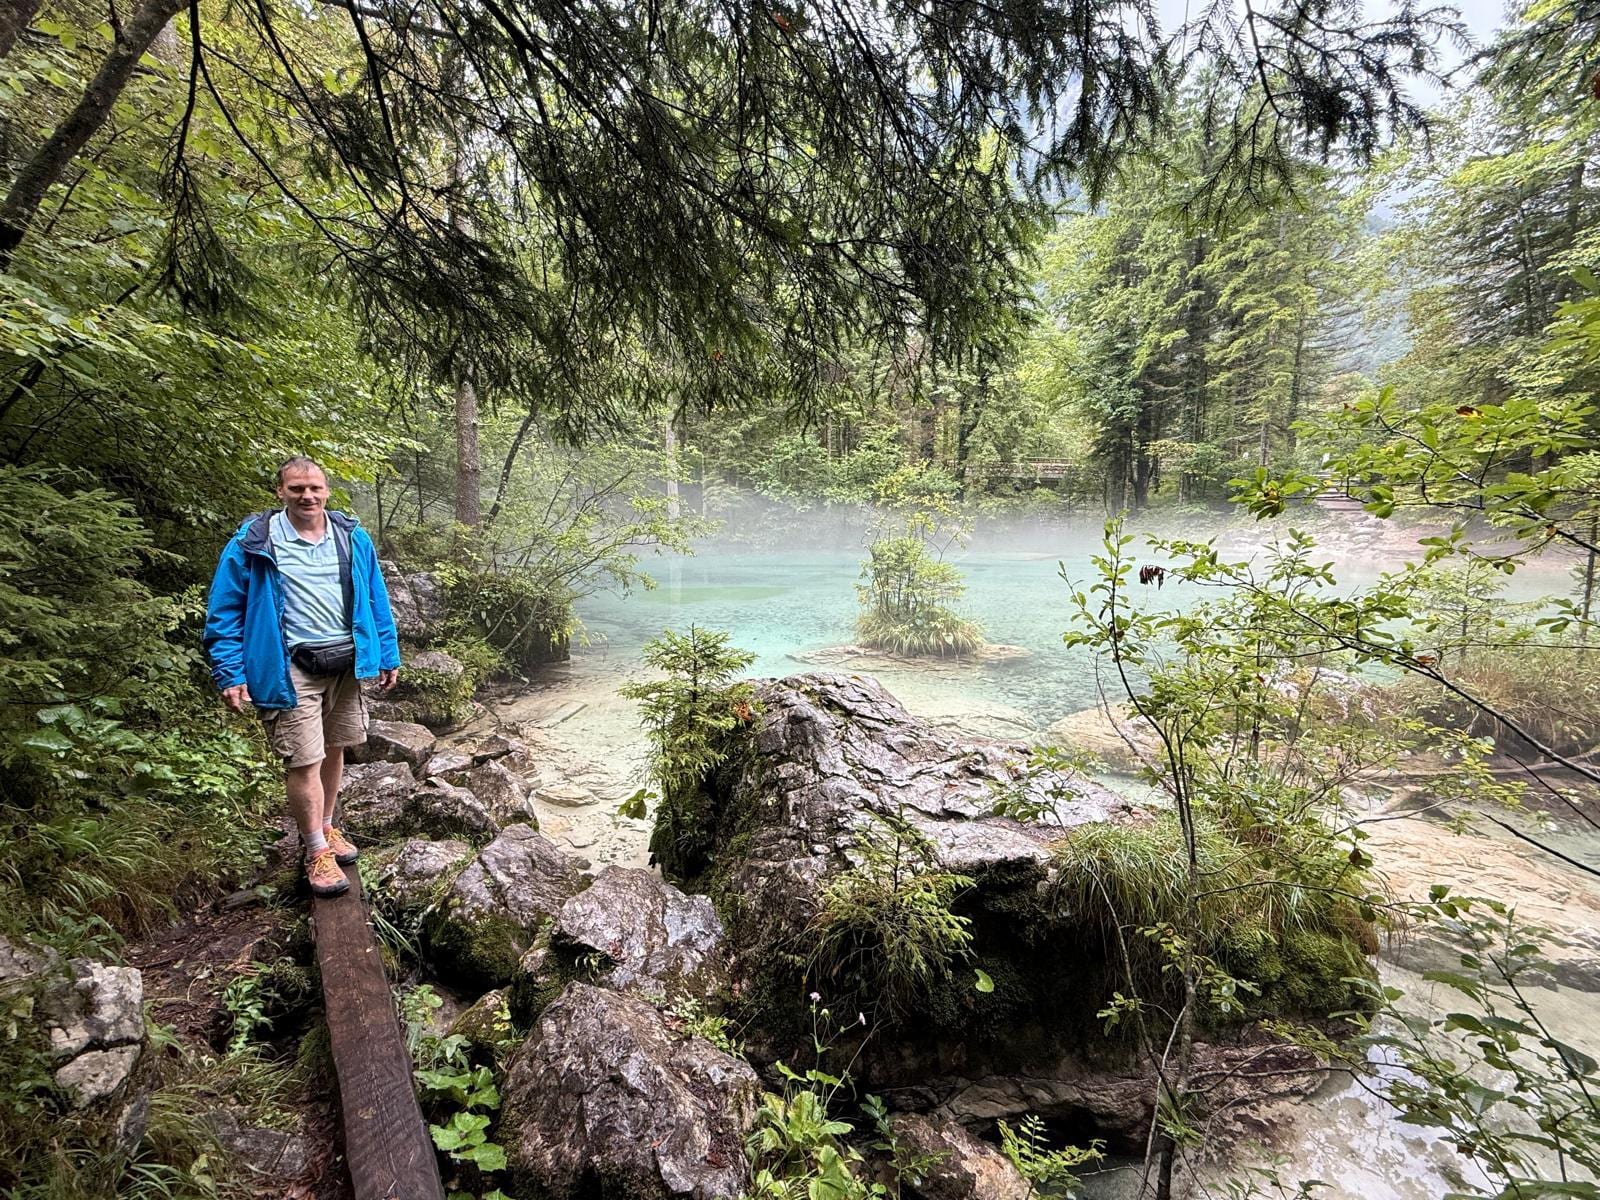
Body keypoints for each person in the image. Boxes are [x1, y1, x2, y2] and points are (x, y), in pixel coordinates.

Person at [204, 456, 401, 897]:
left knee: (334, 749)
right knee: (303, 758)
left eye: (314, 488)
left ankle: (327, 829)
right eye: (296, 489)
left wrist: (387, 654)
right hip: (287, 664)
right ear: (280, 492)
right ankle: (314, 851)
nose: (307, 496)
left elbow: (375, 597)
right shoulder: (254, 542)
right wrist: (230, 672)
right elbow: (224, 612)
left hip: (346, 664)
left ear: (327, 490)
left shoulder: (351, 537)